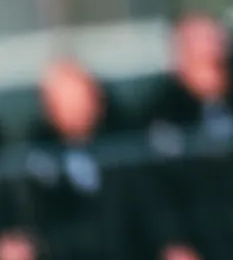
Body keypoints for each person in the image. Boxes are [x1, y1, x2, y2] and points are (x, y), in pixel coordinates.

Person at [145, 15, 233, 260]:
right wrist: (172, 240)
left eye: (212, 36)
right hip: (200, 235)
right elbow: (156, 187)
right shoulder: (162, 109)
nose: (209, 45)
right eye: (198, 39)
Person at [14, 59, 142, 259]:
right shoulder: (38, 158)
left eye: (79, 99)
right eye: (64, 103)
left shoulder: (124, 141)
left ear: (95, 98)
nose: (74, 111)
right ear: (49, 108)